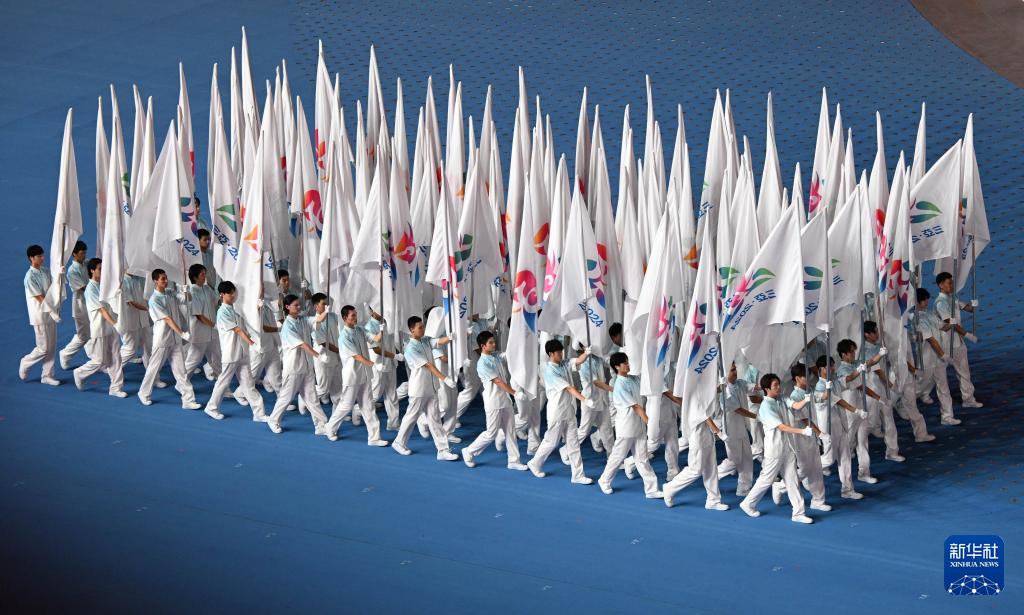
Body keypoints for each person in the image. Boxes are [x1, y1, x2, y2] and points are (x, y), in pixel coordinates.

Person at [739, 373, 815, 524]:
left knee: (792, 480)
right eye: (775, 385)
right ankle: (748, 503)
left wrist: (806, 399)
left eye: (779, 384)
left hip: (787, 447)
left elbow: (795, 405)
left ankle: (798, 513)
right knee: (766, 479)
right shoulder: (765, 407)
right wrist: (802, 431)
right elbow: (781, 427)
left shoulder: (781, 398)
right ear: (767, 389)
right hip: (774, 449)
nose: (779, 387)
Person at [526, 339, 594, 484]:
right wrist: (584, 400)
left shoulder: (564, 363)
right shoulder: (550, 371)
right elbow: (569, 388)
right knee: (551, 442)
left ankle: (578, 475)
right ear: (550, 354)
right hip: (556, 412)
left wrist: (586, 353)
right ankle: (535, 463)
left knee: (573, 444)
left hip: (568, 410)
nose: (561, 354)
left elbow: (578, 361)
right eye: (558, 352)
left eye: (561, 351)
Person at [596, 352, 661, 498]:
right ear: (617, 367)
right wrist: (650, 423)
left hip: (638, 427)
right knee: (618, 457)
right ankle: (604, 480)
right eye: (625, 363)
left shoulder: (633, 379)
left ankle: (651, 490)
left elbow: (646, 378)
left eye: (628, 362)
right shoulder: (619, 385)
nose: (628, 365)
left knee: (643, 459)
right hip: (626, 428)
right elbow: (636, 406)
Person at [393, 316, 458, 460]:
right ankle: (399, 442)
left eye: (423, 326)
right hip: (419, 389)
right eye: (420, 327)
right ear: (412, 330)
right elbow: (428, 365)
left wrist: (451, 337)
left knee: (435, 419)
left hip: (431, 388)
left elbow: (438, 341)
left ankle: (443, 450)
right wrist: (445, 378)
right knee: (411, 417)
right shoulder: (410, 349)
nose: (423, 329)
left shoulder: (426, 340)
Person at [462, 330, 529, 470]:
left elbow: (508, 355)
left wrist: (520, 340)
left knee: (510, 431)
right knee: (491, 433)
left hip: (505, 400)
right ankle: (468, 451)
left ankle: (514, 461)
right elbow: (498, 381)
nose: (494, 344)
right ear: (483, 346)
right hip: (493, 402)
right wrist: (515, 393)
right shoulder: (482, 364)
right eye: (491, 343)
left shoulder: (495, 356)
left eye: (494, 341)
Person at [661, 376, 729, 511]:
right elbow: (704, 415)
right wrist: (717, 431)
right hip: (697, 436)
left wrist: (721, 386)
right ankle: (669, 488)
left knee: (711, 468)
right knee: (695, 470)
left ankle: (713, 500)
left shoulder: (702, 390)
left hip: (707, 435)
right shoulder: (693, 393)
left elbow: (710, 393)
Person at [203, 281, 267, 422]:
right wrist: (252, 344)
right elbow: (237, 330)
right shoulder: (222, 312)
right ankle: (211, 408)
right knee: (223, 382)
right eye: (230, 293)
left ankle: (259, 413)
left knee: (249, 384)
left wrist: (258, 307)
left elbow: (245, 325)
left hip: (242, 353)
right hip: (231, 354)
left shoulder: (235, 311)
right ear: (222, 295)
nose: (233, 295)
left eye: (234, 292)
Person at [266, 294, 330, 434]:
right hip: (293, 368)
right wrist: (319, 356)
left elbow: (318, 320)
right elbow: (302, 345)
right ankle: (273, 420)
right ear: (287, 307)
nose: (299, 307)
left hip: (306, 367)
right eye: (296, 305)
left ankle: (321, 426)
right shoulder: (287, 327)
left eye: (299, 304)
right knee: (286, 397)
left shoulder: (303, 320)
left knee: (312, 399)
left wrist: (326, 311)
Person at [324, 304, 388, 446]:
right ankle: (330, 427)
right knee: (346, 406)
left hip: (364, 375)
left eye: (356, 314)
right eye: (353, 315)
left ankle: (374, 438)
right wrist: (373, 364)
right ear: (344, 318)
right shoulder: (343, 337)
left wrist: (381, 329)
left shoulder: (360, 329)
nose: (355, 317)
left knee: (368, 406)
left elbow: (375, 339)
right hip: (352, 376)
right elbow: (356, 356)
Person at [137, 269, 199, 409]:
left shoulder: (170, 292)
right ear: (155, 281)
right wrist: (182, 333)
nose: (166, 281)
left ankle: (188, 400)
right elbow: (167, 319)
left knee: (181, 372)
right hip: (162, 339)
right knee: (154, 368)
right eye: (163, 279)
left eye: (166, 278)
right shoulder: (154, 300)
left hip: (175, 340)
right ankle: (143, 393)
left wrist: (186, 291)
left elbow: (187, 299)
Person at [72, 258, 126, 397]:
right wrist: (115, 323)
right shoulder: (90, 289)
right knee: (99, 361)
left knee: (116, 357)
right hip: (99, 329)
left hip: (111, 328)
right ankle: (79, 373)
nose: (102, 271)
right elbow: (102, 310)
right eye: (100, 269)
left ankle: (116, 388)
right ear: (92, 270)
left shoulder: (103, 286)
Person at [782, 363, 831, 512]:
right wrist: (820, 433)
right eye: (805, 376)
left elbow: (821, 397)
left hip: (811, 436)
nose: (808, 378)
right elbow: (804, 419)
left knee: (816, 468)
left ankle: (818, 500)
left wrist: (828, 388)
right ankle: (782, 486)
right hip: (802, 437)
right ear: (797, 378)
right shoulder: (795, 396)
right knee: (805, 468)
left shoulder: (808, 391)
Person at [814, 355, 864, 500]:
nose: (833, 368)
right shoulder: (820, 386)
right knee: (829, 459)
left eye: (833, 365)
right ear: (822, 369)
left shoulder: (834, 381)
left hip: (840, 423)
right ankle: (793, 478)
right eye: (829, 366)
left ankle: (848, 489)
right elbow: (838, 401)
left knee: (845, 457)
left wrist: (859, 369)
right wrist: (857, 411)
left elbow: (848, 378)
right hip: (828, 426)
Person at [835, 338, 884, 484]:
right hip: (849, 413)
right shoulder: (841, 370)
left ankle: (864, 473)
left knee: (863, 442)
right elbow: (850, 378)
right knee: (847, 446)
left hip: (860, 409)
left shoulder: (855, 364)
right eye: (851, 352)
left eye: (854, 351)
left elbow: (870, 363)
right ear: (843, 354)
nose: (853, 354)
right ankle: (846, 482)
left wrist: (880, 354)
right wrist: (859, 370)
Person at [931, 271, 982, 408]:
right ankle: (916, 394)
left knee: (964, 372)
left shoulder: (953, 297)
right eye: (949, 283)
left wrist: (973, 305)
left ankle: (968, 400)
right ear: (941, 285)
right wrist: (968, 335)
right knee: (933, 378)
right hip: (945, 344)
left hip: (958, 342)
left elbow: (968, 309)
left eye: (952, 282)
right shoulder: (940, 303)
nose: (952, 285)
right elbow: (952, 324)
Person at [913, 288, 960, 425]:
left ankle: (947, 417)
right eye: (925, 300)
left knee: (943, 388)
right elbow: (931, 340)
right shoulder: (918, 319)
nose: (927, 302)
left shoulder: (930, 314)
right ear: (918, 302)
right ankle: (901, 402)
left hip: (938, 359)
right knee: (919, 387)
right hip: (926, 359)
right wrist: (944, 355)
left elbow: (942, 327)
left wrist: (951, 323)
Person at [862, 321, 903, 462]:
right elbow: (877, 370)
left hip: (882, 390)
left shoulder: (878, 347)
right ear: (867, 334)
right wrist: (891, 385)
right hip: (872, 391)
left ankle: (892, 451)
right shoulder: (865, 350)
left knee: (889, 419)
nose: (878, 334)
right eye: (875, 331)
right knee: (869, 424)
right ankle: (850, 445)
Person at [715, 362, 757, 496]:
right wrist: (756, 416)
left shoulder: (739, 383)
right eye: (732, 370)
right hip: (731, 428)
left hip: (741, 426)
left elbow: (752, 387)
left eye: (735, 369)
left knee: (747, 457)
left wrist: (768, 386)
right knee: (734, 460)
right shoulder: (724, 390)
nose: (735, 372)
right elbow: (738, 409)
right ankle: (712, 477)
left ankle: (743, 488)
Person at [20, 245, 60, 385]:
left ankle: (47, 375)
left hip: (50, 314)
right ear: (31, 258)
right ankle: (25, 362)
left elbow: (53, 288)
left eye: (43, 255)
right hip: (39, 315)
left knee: (52, 346)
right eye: (39, 256)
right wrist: (52, 312)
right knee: (43, 348)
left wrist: (59, 275)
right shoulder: (29, 277)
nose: (42, 258)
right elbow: (40, 297)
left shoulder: (45, 271)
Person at [365, 309, 402, 431]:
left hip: (390, 363)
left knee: (392, 394)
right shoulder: (369, 327)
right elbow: (376, 349)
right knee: (375, 394)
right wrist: (395, 356)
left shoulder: (386, 323)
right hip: (379, 364)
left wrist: (394, 356)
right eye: (377, 309)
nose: (381, 311)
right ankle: (357, 410)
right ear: (371, 311)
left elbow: (391, 342)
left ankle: (393, 423)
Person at [184, 264, 222, 382]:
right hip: (200, 332)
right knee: (194, 360)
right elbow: (199, 315)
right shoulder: (192, 292)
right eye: (202, 274)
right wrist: (214, 326)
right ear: (195, 277)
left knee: (216, 358)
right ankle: (182, 383)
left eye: (205, 273)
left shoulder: (207, 289)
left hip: (212, 332)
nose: (205, 276)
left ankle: (222, 384)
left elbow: (216, 301)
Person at [59, 240, 90, 369]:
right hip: (80, 307)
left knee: (96, 334)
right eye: (82, 253)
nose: (84, 255)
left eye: (85, 253)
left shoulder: (87, 263)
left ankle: (99, 360)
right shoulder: (72, 271)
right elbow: (85, 288)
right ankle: (65, 354)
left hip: (91, 305)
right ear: (74, 254)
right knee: (83, 336)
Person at [309, 293, 342, 407]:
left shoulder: (333, 316)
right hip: (323, 357)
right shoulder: (314, 322)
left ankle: (338, 410)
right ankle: (304, 399)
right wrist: (339, 351)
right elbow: (323, 342)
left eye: (327, 304)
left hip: (336, 356)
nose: (327, 306)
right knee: (323, 388)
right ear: (316, 306)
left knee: (337, 386)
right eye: (324, 304)